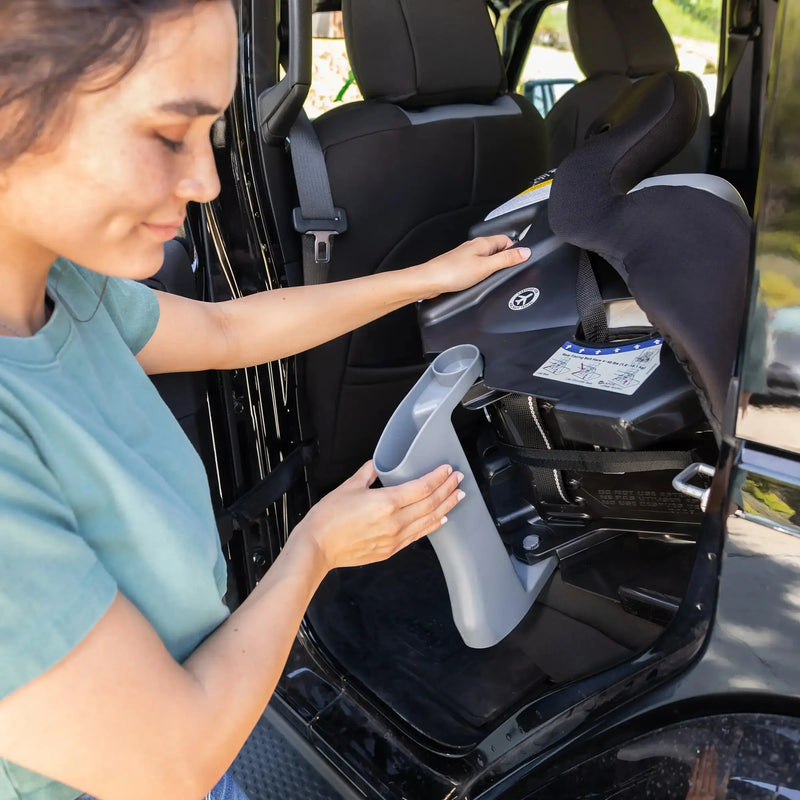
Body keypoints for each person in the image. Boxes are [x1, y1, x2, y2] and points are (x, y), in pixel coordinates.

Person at [0, 2, 531, 799]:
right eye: (168, 134)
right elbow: (172, 760)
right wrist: (313, 550)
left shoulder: (64, 287)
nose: (207, 182)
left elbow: (223, 331)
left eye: (211, 134)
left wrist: (430, 277)